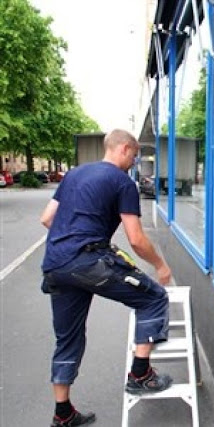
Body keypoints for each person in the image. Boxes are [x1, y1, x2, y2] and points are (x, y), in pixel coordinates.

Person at [40, 129, 173, 427]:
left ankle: (63, 414)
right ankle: (141, 375)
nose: (134, 161)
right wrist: (161, 266)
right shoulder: (122, 182)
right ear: (124, 149)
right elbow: (136, 239)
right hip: (88, 262)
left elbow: (47, 219)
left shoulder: (73, 174)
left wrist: (69, 243)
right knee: (153, 297)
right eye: (134, 155)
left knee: (68, 338)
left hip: (55, 265)